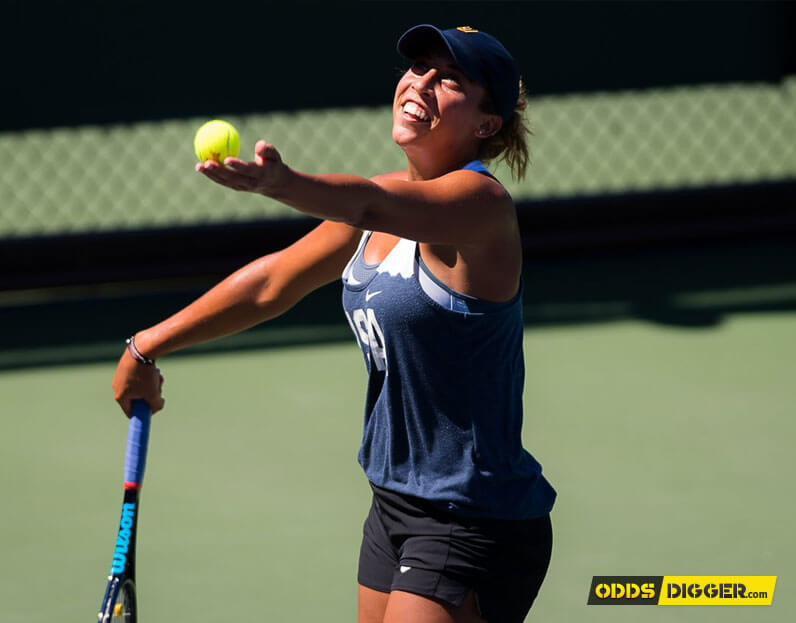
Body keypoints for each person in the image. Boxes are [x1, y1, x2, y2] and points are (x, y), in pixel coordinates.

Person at [112, 24, 556, 623]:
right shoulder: (381, 200)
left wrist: (282, 183)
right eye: (417, 68)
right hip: (393, 502)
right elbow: (273, 283)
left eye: (448, 80)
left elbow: (370, 205)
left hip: (472, 515)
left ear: (486, 123)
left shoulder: (482, 209)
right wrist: (146, 346)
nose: (419, 83)